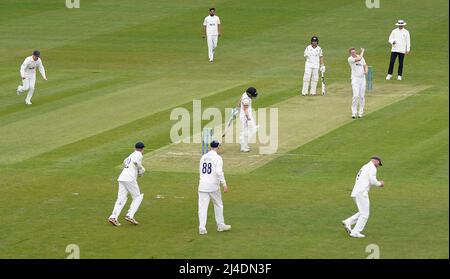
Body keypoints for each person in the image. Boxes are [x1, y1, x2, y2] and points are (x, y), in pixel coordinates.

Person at [342, 156, 385, 238]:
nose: (378, 166)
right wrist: (380, 184)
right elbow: (372, 181)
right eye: (379, 164)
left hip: (356, 192)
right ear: (375, 161)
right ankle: (355, 232)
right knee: (365, 214)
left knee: (363, 212)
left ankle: (348, 222)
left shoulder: (365, 166)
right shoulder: (372, 168)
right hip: (362, 192)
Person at [108, 142, 146, 226]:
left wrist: (134, 169)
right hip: (130, 178)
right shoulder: (139, 154)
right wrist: (141, 169)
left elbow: (125, 161)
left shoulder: (132, 154)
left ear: (134, 148)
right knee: (138, 197)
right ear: (142, 149)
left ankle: (113, 217)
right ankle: (130, 215)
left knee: (121, 198)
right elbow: (136, 162)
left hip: (122, 177)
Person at [198, 140, 231, 235]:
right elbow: (219, 172)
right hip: (213, 186)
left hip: (202, 185)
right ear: (218, 147)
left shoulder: (203, 157)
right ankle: (220, 225)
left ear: (210, 147)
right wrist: (224, 184)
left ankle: (202, 228)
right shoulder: (218, 158)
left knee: (202, 208)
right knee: (218, 205)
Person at [348, 48, 368, 118]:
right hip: (355, 79)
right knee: (356, 96)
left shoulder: (360, 57)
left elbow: (365, 65)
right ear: (350, 54)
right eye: (352, 52)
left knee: (362, 97)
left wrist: (366, 71)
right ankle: (354, 113)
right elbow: (359, 59)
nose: (353, 53)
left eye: (354, 52)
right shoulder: (350, 59)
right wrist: (363, 51)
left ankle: (360, 113)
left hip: (362, 79)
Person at [239, 87, 259, 152]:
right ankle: (243, 146)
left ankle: (245, 144)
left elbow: (240, 100)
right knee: (247, 131)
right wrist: (248, 118)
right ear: (249, 94)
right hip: (245, 116)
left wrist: (238, 106)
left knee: (252, 129)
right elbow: (245, 109)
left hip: (247, 114)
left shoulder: (245, 94)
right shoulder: (246, 100)